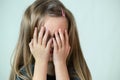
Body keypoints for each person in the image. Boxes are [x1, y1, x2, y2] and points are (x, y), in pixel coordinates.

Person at [9, 0, 92, 80]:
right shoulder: (23, 75)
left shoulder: (77, 74)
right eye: (44, 36)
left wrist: (60, 63)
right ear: (29, 38)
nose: (52, 44)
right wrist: (41, 61)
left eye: (59, 36)